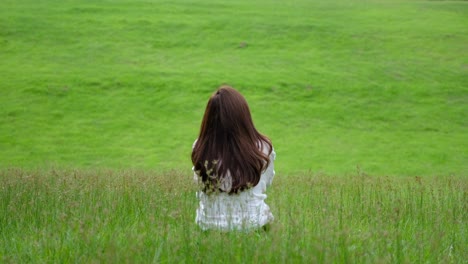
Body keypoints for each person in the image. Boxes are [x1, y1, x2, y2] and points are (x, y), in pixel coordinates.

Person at [191, 85, 276, 231]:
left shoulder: (200, 146)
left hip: (209, 226)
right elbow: (266, 184)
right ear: (243, 115)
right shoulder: (263, 147)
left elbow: (198, 184)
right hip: (253, 225)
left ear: (209, 118)